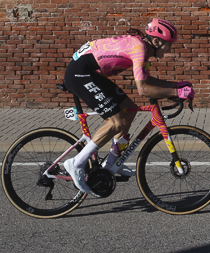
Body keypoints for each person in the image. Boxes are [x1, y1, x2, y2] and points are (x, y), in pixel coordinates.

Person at [62, 18, 193, 194]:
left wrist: (176, 86)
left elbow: (146, 80)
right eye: (169, 44)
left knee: (128, 112)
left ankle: (111, 164)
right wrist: (176, 92)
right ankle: (76, 163)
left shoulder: (143, 47)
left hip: (92, 72)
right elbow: (143, 88)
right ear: (156, 41)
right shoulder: (139, 48)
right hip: (80, 73)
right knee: (116, 122)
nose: (170, 49)